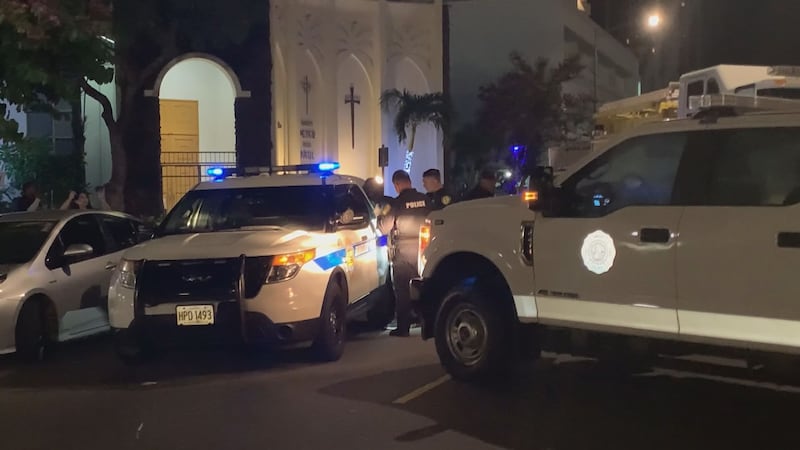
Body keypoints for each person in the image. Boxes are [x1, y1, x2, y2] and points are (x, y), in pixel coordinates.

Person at [378, 170, 431, 337]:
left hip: (403, 250)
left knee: (402, 290)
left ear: (397, 185)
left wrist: (380, 215)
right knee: (426, 288)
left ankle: (403, 328)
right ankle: (428, 323)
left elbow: (384, 227)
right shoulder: (426, 199)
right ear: (409, 181)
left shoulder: (396, 203)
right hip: (425, 248)